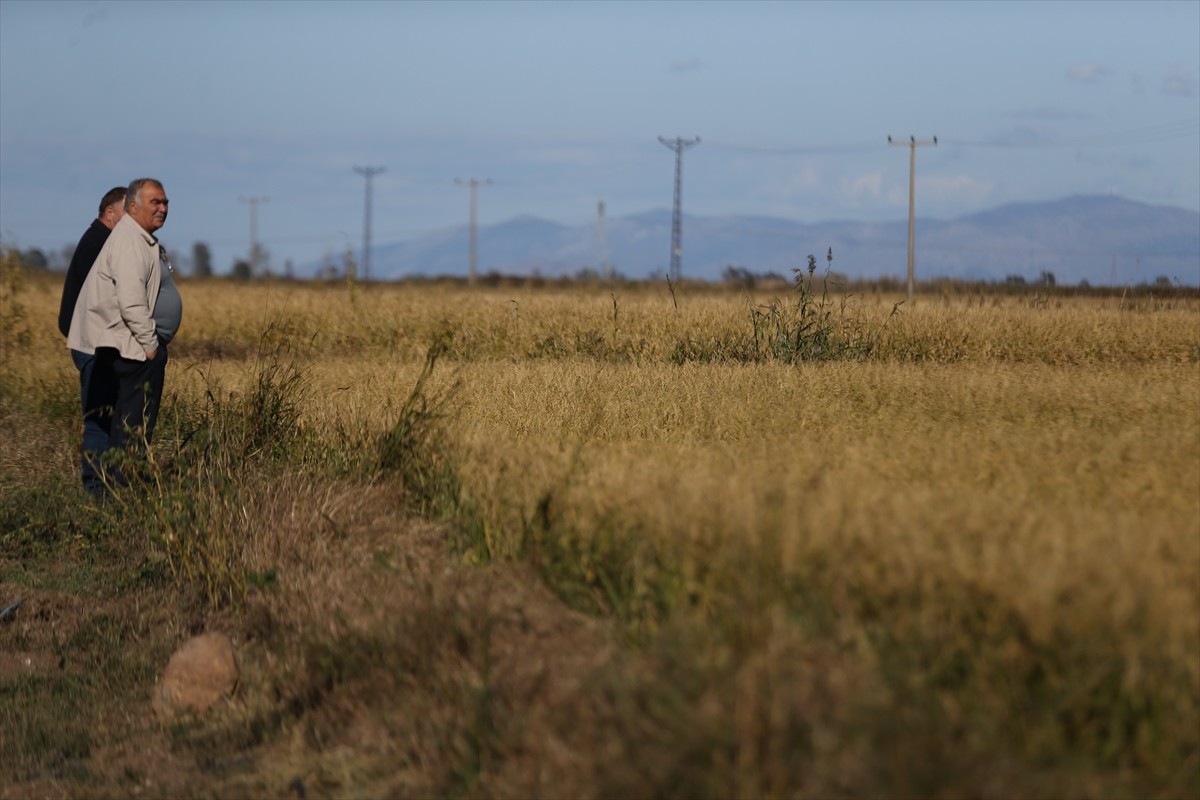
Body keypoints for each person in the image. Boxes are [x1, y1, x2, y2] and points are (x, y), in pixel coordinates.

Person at [67, 178, 182, 490]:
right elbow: (131, 301)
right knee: (133, 426)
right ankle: (121, 492)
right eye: (154, 202)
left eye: (165, 202)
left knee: (125, 424)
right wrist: (151, 347)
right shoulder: (131, 242)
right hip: (133, 350)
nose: (163, 208)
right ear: (132, 207)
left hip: (132, 347)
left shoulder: (138, 238)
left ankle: (116, 490)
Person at [58, 187, 127, 496]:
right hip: (90, 345)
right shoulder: (100, 243)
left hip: (90, 342)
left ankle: (102, 485)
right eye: (128, 211)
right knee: (99, 418)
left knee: (103, 416)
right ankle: (97, 489)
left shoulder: (98, 240)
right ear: (109, 213)